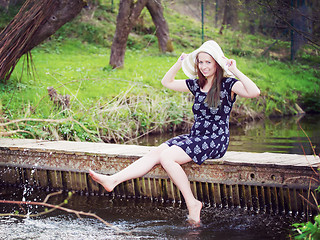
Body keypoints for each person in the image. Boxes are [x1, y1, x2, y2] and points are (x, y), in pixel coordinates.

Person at [89, 40, 260, 226]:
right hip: (197, 136)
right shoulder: (196, 85)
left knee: (168, 157)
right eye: (200, 62)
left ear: (217, 63)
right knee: (157, 151)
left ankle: (193, 204)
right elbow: (167, 82)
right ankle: (113, 180)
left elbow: (254, 92)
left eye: (208, 62)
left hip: (216, 139)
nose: (203, 66)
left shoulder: (228, 85)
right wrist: (179, 62)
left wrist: (234, 69)